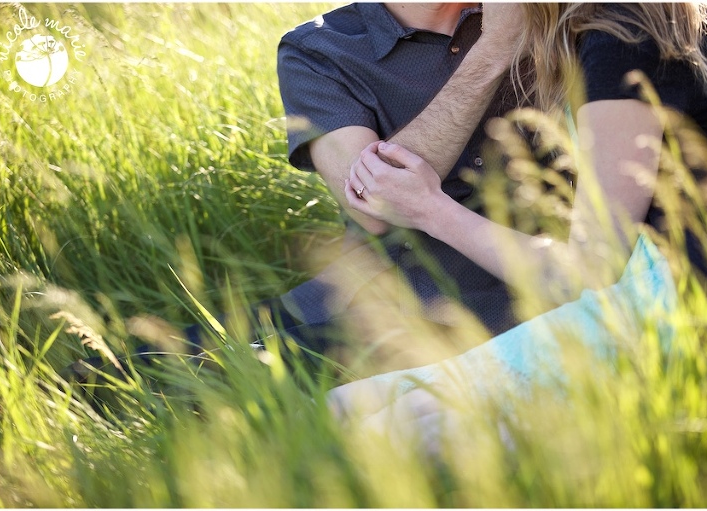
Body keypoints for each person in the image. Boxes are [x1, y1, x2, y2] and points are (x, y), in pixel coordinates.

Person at [327, 2, 707, 446]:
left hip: (703, 310)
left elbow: (590, 267)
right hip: (662, 288)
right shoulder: (609, 29)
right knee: (343, 408)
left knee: (383, 433)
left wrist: (431, 209)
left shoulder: (622, 36)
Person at [186, 3, 536, 374]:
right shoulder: (320, 50)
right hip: (377, 300)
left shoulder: (546, 16)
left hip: (519, 298)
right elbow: (373, 204)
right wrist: (495, 49)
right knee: (159, 363)